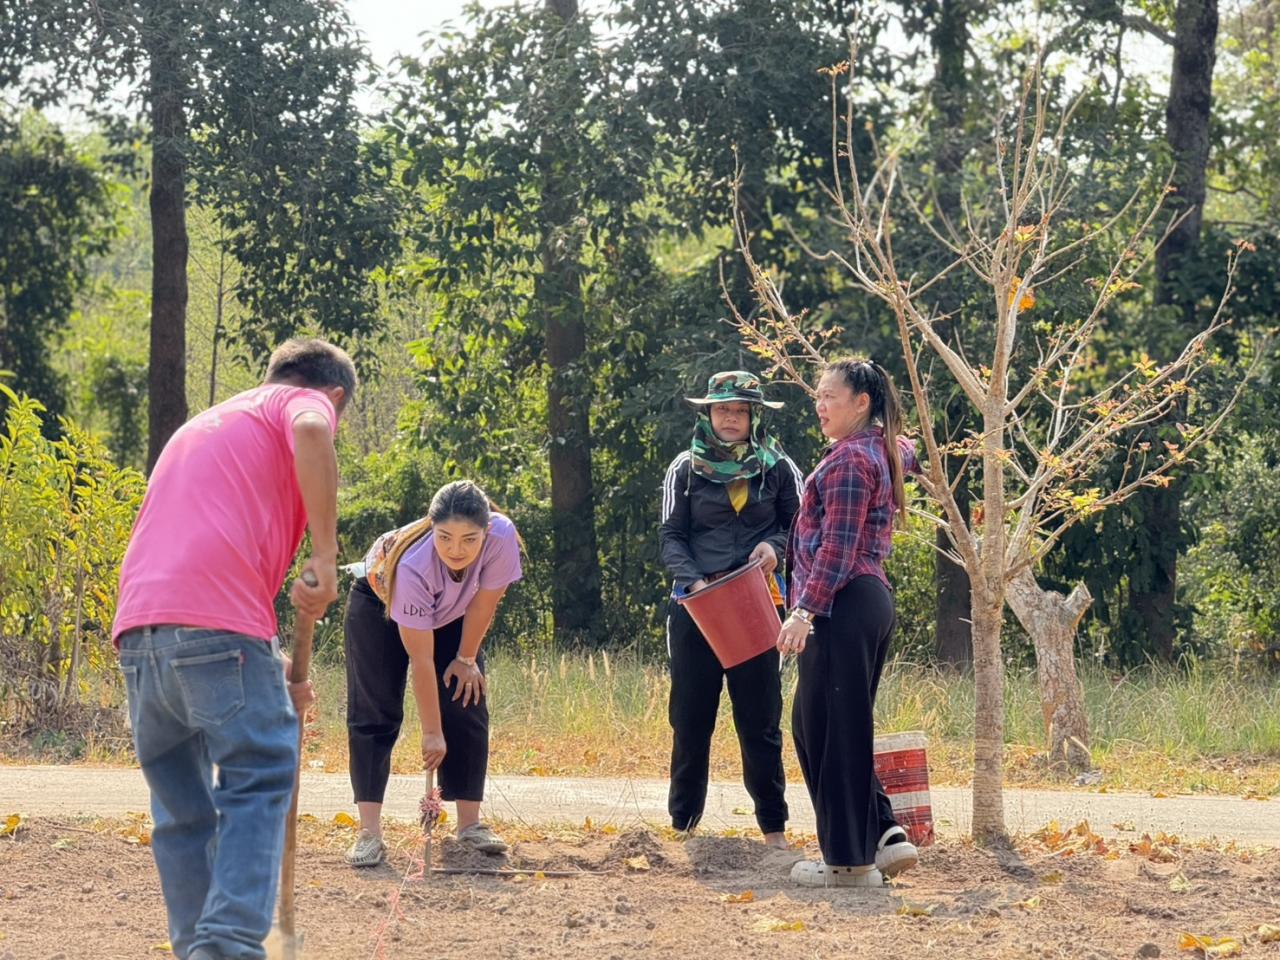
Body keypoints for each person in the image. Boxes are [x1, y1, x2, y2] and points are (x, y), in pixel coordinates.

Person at [113, 338, 352, 960]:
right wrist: (325, 556)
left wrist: (270, 670)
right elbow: (310, 430)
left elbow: (203, 566)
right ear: (334, 397)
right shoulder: (305, 404)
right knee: (259, 774)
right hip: (212, 627)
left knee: (182, 811)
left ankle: (199, 948)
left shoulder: (209, 425)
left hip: (142, 633)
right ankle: (224, 950)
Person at [777, 357, 920, 887]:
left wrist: (801, 612)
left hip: (840, 603)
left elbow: (836, 549)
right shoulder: (884, 449)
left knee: (829, 731)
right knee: (830, 724)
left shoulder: (846, 465)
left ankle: (847, 865)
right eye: (816, 395)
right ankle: (881, 834)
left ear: (862, 403)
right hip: (864, 602)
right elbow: (910, 451)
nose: (818, 405)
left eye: (829, 396)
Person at [343, 480, 522, 868]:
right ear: (431, 526)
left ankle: (470, 825)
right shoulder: (413, 565)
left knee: (467, 696)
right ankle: (369, 833)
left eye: (469, 540)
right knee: (375, 712)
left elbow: (484, 603)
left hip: (452, 610)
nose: (456, 550)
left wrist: (466, 657)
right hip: (379, 605)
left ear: (486, 532)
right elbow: (421, 661)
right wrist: (431, 733)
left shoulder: (502, 536)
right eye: (445, 538)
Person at [658, 370, 804, 849]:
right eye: (722, 409)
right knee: (690, 717)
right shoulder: (684, 468)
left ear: (753, 415)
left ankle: (774, 831)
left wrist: (773, 548)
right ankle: (684, 827)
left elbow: (798, 528)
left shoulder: (780, 467)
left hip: (757, 607)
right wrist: (696, 583)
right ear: (708, 413)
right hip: (696, 608)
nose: (730, 418)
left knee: (760, 720)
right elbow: (671, 536)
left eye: (740, 410)